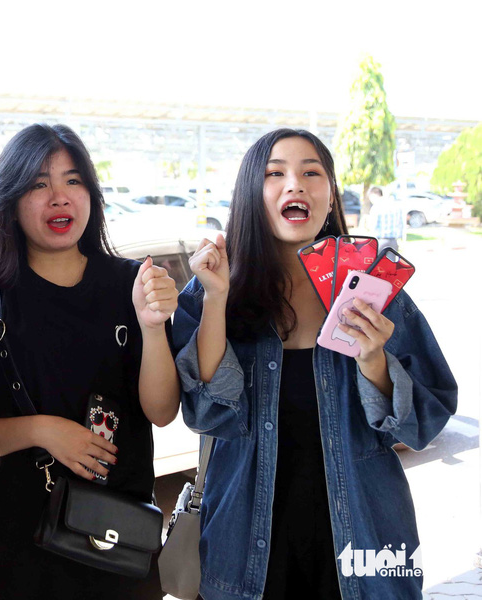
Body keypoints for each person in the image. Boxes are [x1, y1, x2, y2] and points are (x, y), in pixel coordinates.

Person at [172, 128, 457, 600]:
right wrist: (218, 299)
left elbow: (425, 422)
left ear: (329, 197)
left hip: (365, 548)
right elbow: (207, 415)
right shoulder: (211, 289)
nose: (295, 184)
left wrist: (373, 359)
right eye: (274, 173)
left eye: (312, 173)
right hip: (244, 552)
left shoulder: (376, 293)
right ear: (250, 194)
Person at [0, 123, 180, 598]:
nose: (60, 197)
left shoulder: (131, 284)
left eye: (73, 180)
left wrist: (153, 324)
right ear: (12, 202)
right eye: (39, 184)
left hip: (118, 534)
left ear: (92, 195)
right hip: (19, 541)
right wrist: (42, 430)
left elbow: (162, 411)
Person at [368, 186, 405, 251]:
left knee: (379, 260)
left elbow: (373, 226)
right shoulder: (394, 205)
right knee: (391, 261)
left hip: (380, 241)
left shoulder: (376, 207)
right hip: (393, 241)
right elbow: (400, 223)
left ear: (373, 195)